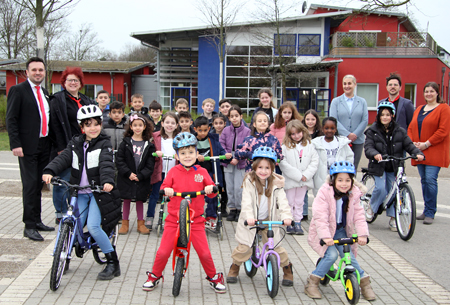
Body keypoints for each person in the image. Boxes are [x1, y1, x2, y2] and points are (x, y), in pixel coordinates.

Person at [42, 105, 121, 280]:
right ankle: (65, 255)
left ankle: (113, 263)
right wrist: (49, 170)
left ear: (101, 124)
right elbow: (63, 158)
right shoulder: (75, 143)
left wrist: (107, 181)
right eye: (88, 124)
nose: (93, 128)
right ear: (82, 127)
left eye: (96, 124)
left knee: (93, 226)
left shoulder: (104, 144)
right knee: (71, 221)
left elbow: (107, 165)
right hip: (78, 192)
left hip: (97, 192)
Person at [142, 132, 227, 293]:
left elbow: (212, 193)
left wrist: (210, 188)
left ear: (197, 153)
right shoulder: (174, 172)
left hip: (196, 220)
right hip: (174, 219)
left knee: (204, 253)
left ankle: (214, 277)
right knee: (163, 252)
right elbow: (163, 187)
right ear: (177, 155)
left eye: (190, 152)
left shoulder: (201, 172)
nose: (187, 156)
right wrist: (166, 190)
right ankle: (155, 275)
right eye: (182, 153)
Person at [304, 161, 375, 301]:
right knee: (330, 255)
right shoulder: (324, 192)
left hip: (341, 230)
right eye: (340, 180)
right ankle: (312, 282)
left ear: (352, 181)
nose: (344, 184)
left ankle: (364, 283)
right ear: (333, 180)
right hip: (323, 231)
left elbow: (359, 216)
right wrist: (325, 236)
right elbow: (320, 217)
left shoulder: (354, 193)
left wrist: (362, 235)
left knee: (348, 256)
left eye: (348, 180)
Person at [226, 146, 294, 286]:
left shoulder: (277, 183)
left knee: (275, 247)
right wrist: (249, 217)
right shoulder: (249, 181)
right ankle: (235, 266)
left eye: (267, 168)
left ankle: (287, 269)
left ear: (273, 168)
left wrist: (286, 216)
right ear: (254, 167)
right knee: (244, 247)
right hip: (250, 220)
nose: (263, 171)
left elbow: (283, 201)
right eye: (260, 167)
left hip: (270, 220)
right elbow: (246, 202)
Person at [6, 57, 54, 241]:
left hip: (44, 145)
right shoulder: (18, 91)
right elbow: (11, 119)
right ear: (27, 72)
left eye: (40, 70)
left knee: (39, 184)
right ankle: (29, 225)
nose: (37, 73)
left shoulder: (44, 92)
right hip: (26, 147)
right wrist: (15, 144)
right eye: (34, 70)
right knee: (30, 184)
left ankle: (38, 220)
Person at [364, 102, 424, 231]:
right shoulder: (372, 131)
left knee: (394, 191)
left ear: (392, 116)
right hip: (379, 165)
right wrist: (375, 154)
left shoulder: (400, 131)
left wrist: (417, 153)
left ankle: (393, 218)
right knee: (381, 189)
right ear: (379, 116)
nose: (385, 117)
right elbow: (368, 147)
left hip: (394, 165)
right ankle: (372, 207)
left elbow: (409, 145)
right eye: (382, 115)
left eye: (388, 115)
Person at [49, 66, 93, 224]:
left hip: (84, 148)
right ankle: (60, 212)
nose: (73, 83)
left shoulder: (86, 100)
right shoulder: (57, 99)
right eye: (69, 80)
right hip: (66, 147)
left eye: (76, 80)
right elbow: (54, 125)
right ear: (64, 82)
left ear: (81, 83)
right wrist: (62, 148)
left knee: (79, 181)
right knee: (63, 181)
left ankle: (75, 211)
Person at [408, 82, 450, 225]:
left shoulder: (444, 108)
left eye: (432, 91)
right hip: (419, 150)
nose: (429, 94)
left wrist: (427, 143)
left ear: (437, 93)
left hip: (434, 149)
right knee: (424, 181)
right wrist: (413, 143)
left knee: (431, 180)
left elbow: (443, 131)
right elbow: (411, 127)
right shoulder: (419, 108)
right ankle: (426, 210)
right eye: (426, 92)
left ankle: (431, 211)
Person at [116, 113, 156, 235]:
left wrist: (141, 175)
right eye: (135, 125)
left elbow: (150, 165)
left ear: (144, 127)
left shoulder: (149, 146)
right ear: (131, 127)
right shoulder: (125, 143)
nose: (137, 128)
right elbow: (120, 160)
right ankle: (124, 223)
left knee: (140, 200)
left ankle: (141, 223)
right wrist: (128, 173)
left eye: (140, 125)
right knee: (127, 199)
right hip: (126, 177)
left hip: (141, 179)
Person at [279, 120, 318, 235]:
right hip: (291, 180)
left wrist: (306, 175)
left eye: (298, 133)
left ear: (303, 131)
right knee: (290, 201)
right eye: (293, 134)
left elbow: (314, 161)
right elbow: (283, 163)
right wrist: (298, 175)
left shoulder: (309, 145)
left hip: (304, 180)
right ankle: (289, 222)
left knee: (299, 202)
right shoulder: (285, 147)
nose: (296, 136)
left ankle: (297, 221)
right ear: (289, 135)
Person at [194, 116, 232, 229]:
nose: (203, 133)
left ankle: (211, 216)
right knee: (196, 195)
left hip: (211, 173)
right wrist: (195, 156)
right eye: (200, 130)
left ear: (209, 129)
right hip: (195, 173)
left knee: (212, 194)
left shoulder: (213, 140)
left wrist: (226, 155)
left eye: (205, 130)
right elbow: (186, 153)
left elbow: (221, 151)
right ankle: (196, 216)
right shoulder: (192, 140)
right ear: (195, 129)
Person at [145, 112, 180, 230]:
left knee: (174, 196)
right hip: (160, 171)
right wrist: (156, 153)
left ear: (176, 125)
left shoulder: (180, 138)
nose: (170, 125)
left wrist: (179, 155)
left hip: (174, 172)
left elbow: (185, 151)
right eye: (167, 122)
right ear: (162, 123)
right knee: (155, 194)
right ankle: (149, 217)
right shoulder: (155, 136)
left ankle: (173, 218)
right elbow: (149, 151)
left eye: (173, 123)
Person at [329, 75, 368, 171]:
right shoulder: (336, 101)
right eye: (345, 83)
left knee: (353, 166)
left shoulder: (362, 101)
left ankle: (352, 185)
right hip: (341, 140)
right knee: (340, 165)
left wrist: (355, 135)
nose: (347, 86)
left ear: (355, 84)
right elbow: (333, 120)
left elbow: (365, 120)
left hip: (357, 140)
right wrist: (347, 134)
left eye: (349, 83)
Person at [220, 105, 251, 222]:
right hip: (228, 161)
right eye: (231, 116)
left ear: (241, 116)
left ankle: (240, 209)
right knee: (230, 187)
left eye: (236, 116)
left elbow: (247, 146)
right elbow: (221, 144)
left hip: (241, 162)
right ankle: (232, 208)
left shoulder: (247, 131)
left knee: (239, 187)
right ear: (229, 118)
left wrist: (238, 157)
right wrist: (228, 158)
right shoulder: (226, 130)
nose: (234, 118)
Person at [311, 117, 354, 196]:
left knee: (338, 200)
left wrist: (346, 170)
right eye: (326, 128)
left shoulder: (342, 143)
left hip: (339, 178)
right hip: (321, 178)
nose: (329, 130)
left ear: (336, 129)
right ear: (322, 129)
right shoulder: (316, 143)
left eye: (332, 128)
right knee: (322, 201)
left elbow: (349, 157)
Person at [301, 109, 323, 220]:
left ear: (316, 120)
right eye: (308, 119)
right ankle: (304, 213)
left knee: (319, 188)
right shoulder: (301, 132)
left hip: (318, 163)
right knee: (304, 188)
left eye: (313, 119)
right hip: (304, 163)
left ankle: (319, 212)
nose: (310, 122)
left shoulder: (321, 133)